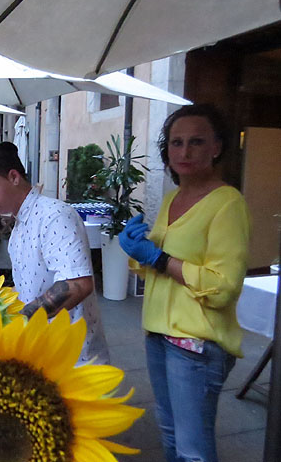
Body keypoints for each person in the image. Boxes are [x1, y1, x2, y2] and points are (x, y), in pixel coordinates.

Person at [118, 104, 250, 462]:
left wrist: (158, 258)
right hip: (159, 334)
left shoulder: (228, 204)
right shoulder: (172, 198)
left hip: (196, 343)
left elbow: (223, 287)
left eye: (197, 141)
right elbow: (158, 263)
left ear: (217, 147)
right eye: (176, 143)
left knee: (193, 451)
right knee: (170, 434)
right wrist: (137, 251)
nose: (185, 151)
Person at [0, 142, 109, 365]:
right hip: (41, 353)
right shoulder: (19, 224)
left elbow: (77, 284)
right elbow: (29, 287)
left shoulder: (54, 215)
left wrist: (17, 319)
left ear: (14, 177)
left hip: (74, 359)